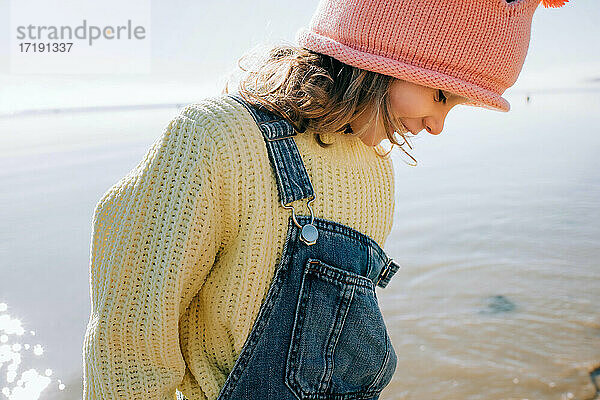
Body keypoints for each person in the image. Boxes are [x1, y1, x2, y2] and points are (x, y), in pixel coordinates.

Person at [81, 0, 567, 399]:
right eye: (440, 95)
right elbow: (130, 333)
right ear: (379, 55)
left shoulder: (376, 173)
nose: (438, 126)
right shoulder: (218, 140)